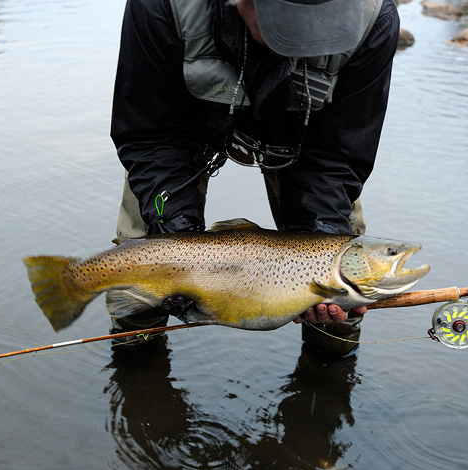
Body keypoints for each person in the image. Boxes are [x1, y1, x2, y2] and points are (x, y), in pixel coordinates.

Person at [109, 0, 400, 356]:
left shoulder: (372, 19)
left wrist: (319, 247)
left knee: (342, 281)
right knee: (145, 259)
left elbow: (336, 156)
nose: (307, 36)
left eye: (323, 24)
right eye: (289, 22)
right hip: (179, 128)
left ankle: (329, 367)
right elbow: (151, 137)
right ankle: (135, 357)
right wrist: (177, 240)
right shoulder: (161, 6)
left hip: (306, 135)